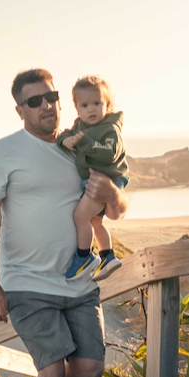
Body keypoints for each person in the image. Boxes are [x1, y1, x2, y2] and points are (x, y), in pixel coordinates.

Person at [0, 69, 129, 377]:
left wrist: (112, 193)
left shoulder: (81, 145)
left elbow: (115, 210)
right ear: (20, 110)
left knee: (92, 368)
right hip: (27, 283)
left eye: (51, 97)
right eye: (34, 101)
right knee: (53, 370)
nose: (46, 106)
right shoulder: (2, 152)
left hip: (80, 281)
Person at [58, 75, 130, 281]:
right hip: (95, 180)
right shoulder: (80, 126)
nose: (91, 109)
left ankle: (84, 256)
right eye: (85, 105)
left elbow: (110, 153)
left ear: (106, 104)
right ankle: (107, 256)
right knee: (94, 221)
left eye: (97, 103)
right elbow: (65, 134)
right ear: (77, 108)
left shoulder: (110, 128)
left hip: (106, 180)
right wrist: (67, 141)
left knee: (80, 217)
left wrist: (84, 143)